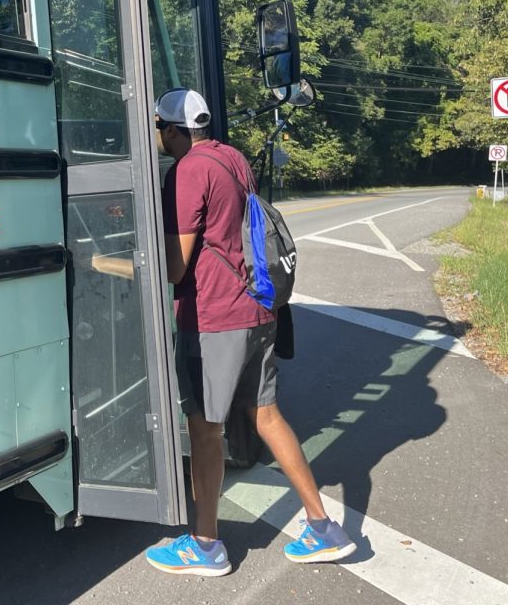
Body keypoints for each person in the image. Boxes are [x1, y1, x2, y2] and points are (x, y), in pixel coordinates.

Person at [145, 87, 356, 576]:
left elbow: (176, 268)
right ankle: (324, 527)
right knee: (267, 415)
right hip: (258, 308)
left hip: (214, 317)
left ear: (170, 130)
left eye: (157, 127)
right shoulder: (232, 158)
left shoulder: (187, 172)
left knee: (204, 429)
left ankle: (205, 545)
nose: (156, 136)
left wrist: (122, 263)